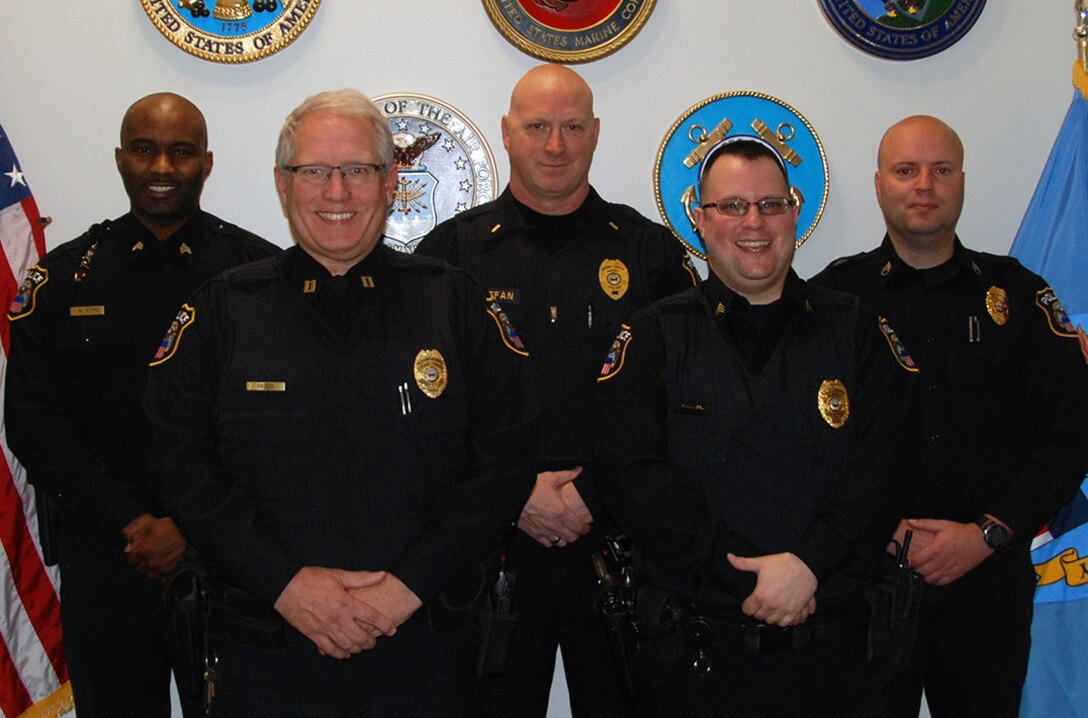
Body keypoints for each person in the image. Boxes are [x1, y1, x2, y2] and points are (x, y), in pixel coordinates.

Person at [142, 88, 538, 716]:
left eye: (357, 169)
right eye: (314, 171)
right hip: (268, 653)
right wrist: (284, 585)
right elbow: (180, 466)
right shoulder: (222, 312)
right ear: (282, 183)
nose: (336, 192)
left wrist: (405, 589)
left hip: (427, 650)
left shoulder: (456, 305)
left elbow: (505, 460)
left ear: (390, 182)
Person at [595, 136, 918, 717]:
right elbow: (635, 480)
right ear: (699, 219)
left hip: (841, 658)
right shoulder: (651, 338)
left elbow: (887, 464)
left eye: (770, 205)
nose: (754, 222)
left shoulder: (857, 329)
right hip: (697, 661)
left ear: (795, 212)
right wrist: (748, 578)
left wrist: (808, 565)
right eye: (732, 206)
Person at [415, 63, 699, 717]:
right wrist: (515, 494)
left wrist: (597, 495)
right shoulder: (451, 255)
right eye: (537, 127)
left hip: (622, 547)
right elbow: (430, 412)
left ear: (595, 133)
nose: (554, 145)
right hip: (490, 552)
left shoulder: (647, 253)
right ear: (508, 133)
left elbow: (682, 408)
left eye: (572, 127)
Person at [3, 92, 278, 716]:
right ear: (121, 159)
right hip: (108, 554)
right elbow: (31, 420)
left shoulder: (259, 275)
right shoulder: (65, 277)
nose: (161, 167)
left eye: (180, 152)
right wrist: (131, 524)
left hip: (230, 555)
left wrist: (194, 526)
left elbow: (276, 423)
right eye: (145, 149)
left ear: (206, 163)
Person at [811, 115, 1088, 718]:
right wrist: (874, 528)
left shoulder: (1018, 297)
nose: (924, 185)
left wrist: (987, 534)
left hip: (986, 583)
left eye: (941, 170)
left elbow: (1071, 437)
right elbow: (803, 439)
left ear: (962, 181)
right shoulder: (834, 301)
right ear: (879, 183)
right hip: (866, 581)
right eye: (906, 171)